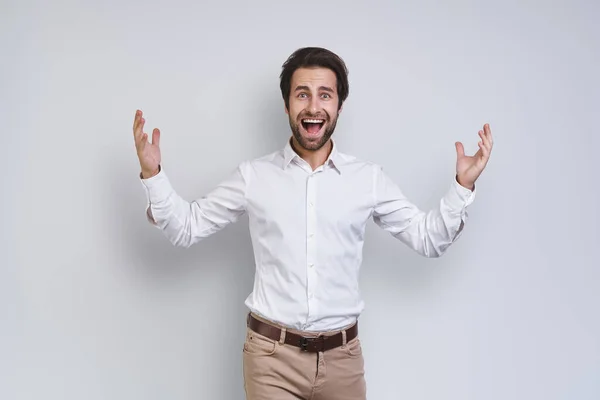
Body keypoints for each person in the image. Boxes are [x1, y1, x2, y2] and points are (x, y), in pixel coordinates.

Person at [131, 47, 493, 400]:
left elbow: (429, 240)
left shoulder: (367, 179)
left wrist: (462, 186)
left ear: (339, 105)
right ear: (287, 104)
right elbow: (186, 227)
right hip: (271, 359)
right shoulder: (254, 176)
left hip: (343, 361)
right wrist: (153, 174)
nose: (313, 106)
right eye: (302, 94)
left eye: (325, 95)